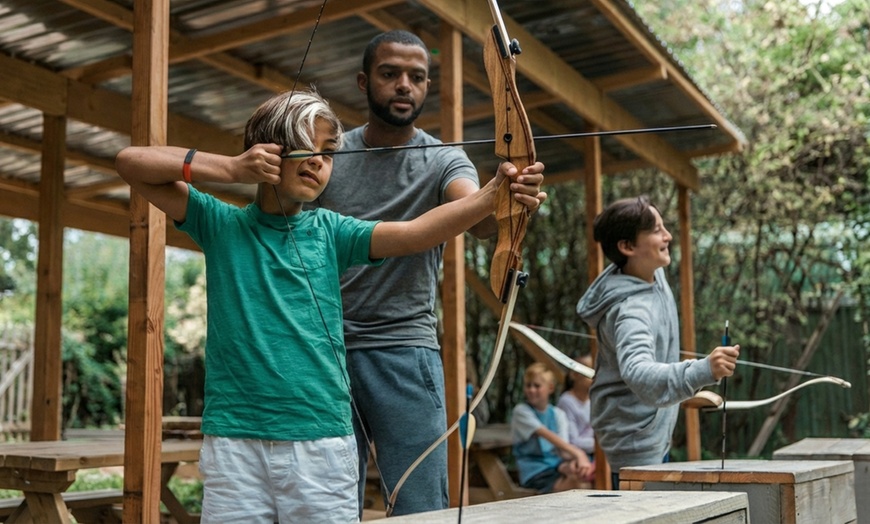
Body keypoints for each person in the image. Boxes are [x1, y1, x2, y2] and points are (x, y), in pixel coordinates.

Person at [114, 88, 534, 523]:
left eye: (329, 154)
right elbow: (131, 163)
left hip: (320, 442)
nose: (319, 160)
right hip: (234, 440)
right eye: (306, 146)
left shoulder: (331, 231)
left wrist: (491, 196)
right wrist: (231, 167)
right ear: (267, 151)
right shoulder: (221, 224)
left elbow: (416, 233)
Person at [308, 30, 546, 515]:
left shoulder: (444, 159)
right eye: (390, 73)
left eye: (416, 77)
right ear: (362, 81)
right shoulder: (330, 157)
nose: (404, 85)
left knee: (422, 505)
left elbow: (477, 220)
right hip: (324, 351)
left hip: (404, 350)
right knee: (328, 505)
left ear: (427, 86)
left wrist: (508, 198)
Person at [575, 196, 740, 490]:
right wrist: (704, 369)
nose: (668, 236)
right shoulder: (630, 312)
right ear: (627, 247)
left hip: (650, 425)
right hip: (634, 437)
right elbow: (638, 373)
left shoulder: (650, 272)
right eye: (656, 230)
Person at [511, 363, 594, 493]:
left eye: (537, 386)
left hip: (556, 467)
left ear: (550, 388)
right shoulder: (521, 411)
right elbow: (546, 434)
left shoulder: (558, 414)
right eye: (528, 385)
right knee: (580, 487)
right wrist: (579, 454)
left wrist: (572, 464)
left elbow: (564, 449)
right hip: (535, 471)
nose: (531, 390)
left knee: (584, 478)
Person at [557, 354, 596, 462]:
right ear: (574, 375)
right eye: (589, 370)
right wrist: (600, 444)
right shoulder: (566, 401)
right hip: (575, 457)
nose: (594, 375)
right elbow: (572, 441)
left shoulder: (593, 400)